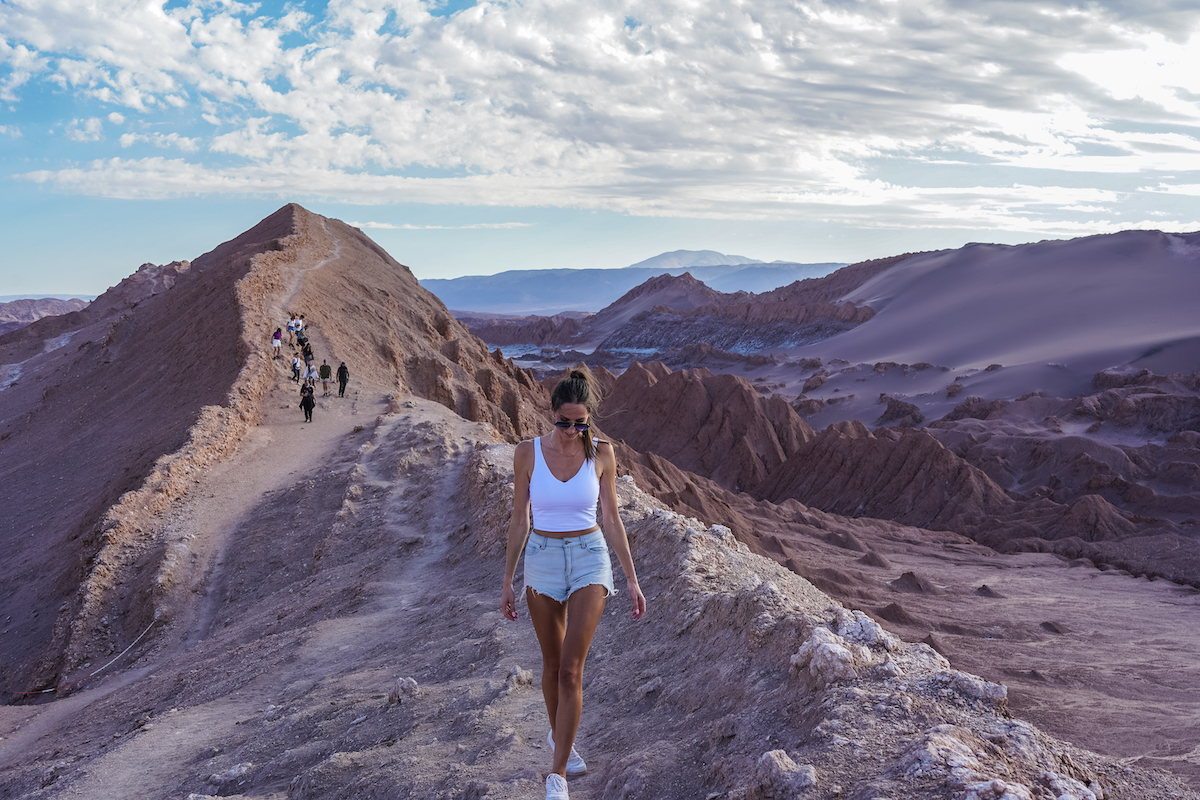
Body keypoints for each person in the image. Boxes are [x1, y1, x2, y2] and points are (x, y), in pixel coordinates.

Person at [501, 368, 645, 800]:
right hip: (542, 559)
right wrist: (507, 580)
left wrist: (632, 579)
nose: (571, 431)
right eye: (564, 422)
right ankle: (561, 737)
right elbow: (518, 519)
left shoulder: (602, 454)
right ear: (552, 414)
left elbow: (612, 519)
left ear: (589, 420)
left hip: (589, 557)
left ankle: (557, 774)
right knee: (550, 666)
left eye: (580, 423)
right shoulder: (526, 453)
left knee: (570, 669)